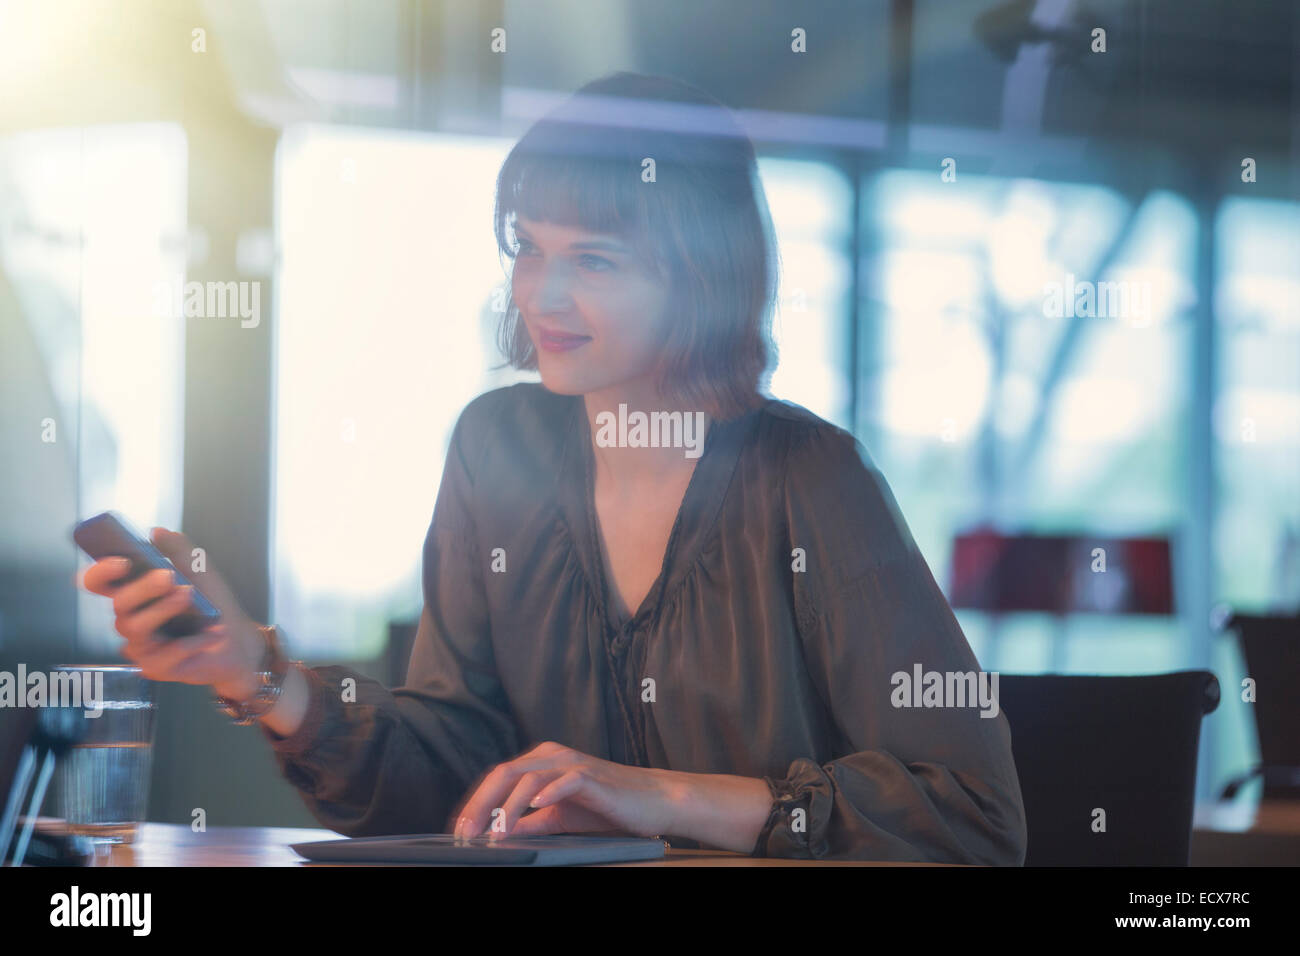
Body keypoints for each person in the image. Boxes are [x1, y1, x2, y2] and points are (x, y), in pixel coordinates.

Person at [80, 72, 1027, 862]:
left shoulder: (811, 477)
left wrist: (657, 798)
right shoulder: (498, 448)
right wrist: (254, 668)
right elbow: (445, 781)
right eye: (527, 248)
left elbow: (972, 817)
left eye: (596, 260)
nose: (543, 292)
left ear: (702, 275)